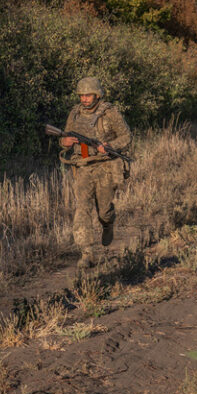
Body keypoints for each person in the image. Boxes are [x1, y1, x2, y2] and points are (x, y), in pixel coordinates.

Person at [59, 77, 132, 269]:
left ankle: (108, 224)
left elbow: (126, 136)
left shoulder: (110, 112)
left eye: (88, 95)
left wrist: (109, 146)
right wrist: (64, 142)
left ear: (97, 95)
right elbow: (65, 137)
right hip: (82, 166)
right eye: (81, 95)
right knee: (82, 208)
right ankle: (87, 253)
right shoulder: (74, 113)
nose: (84, 99)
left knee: (104, 211)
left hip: (105, 166)